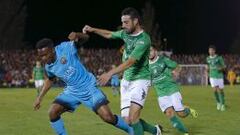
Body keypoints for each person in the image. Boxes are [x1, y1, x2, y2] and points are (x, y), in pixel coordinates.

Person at [33, 32, 133, 135]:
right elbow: (50, 79)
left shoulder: (65, 48)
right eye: (41, 56)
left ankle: (130, 130)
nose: (43, 59)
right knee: (52, 113)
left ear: (52, 50)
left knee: (108, 117)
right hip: (72, 91)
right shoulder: (48, 67)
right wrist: (39, 98)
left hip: (89, 87)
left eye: (45, 55)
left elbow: (86, 38)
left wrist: (77, 35)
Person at [83, 7, 162, 135]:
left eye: (126, 22)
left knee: (134, 117)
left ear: (135, 21)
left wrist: (109, 73)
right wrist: (93, 29)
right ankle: (155, 130)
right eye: (122, 22)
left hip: (140, 80)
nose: (123, 25)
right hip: (126, 81)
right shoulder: (125, 33)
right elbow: (109, 34)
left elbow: (131, 62)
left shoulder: (144, 39)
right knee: (128, 120)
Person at [149, 45, 198, 135]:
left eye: (151, 50)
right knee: (169, 113)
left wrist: (176, 72)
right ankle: (185, 132)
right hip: (161, 93)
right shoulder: (146, 65)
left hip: (172, 89)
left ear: (155, 51)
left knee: (181, 113)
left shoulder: (163, 60)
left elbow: (177, 66)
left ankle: (188, 110)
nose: (149, 53)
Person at [206, 45, 226, 111]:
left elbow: (224, 66)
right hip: (212, 76)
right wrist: (207, 70)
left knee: (220, 90)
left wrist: (221, 68)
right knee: (214, 90)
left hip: (219, 76)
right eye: (209, 50)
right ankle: (218, 103)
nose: (210, 51)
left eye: (212, 50)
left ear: (214, 51)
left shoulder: (219, 58)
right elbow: (208, 67)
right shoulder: (207, 58)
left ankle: (223, 104)